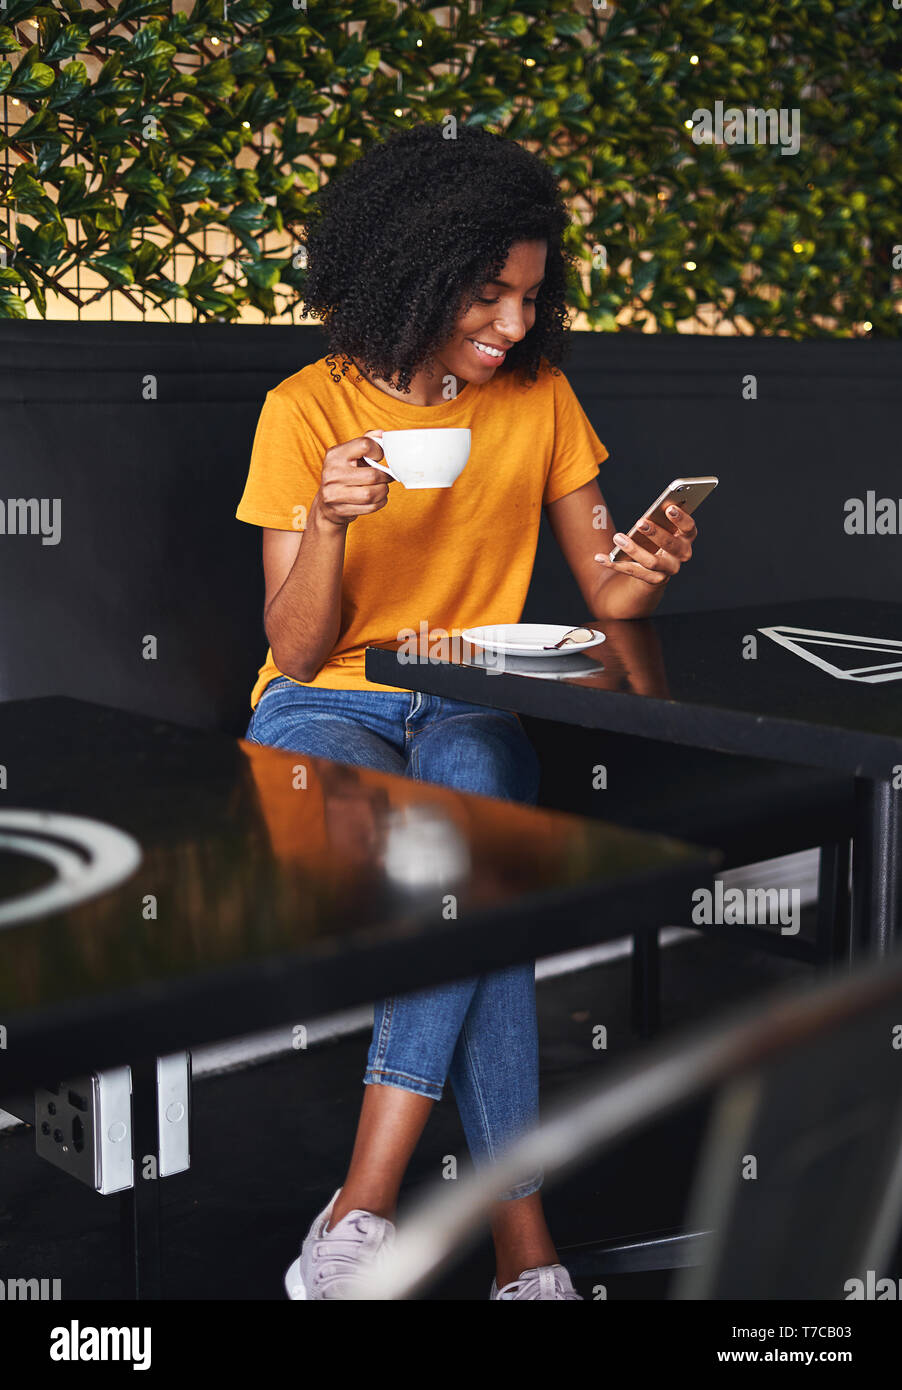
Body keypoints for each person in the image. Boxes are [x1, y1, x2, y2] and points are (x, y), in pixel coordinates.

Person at [236, 122, 699, 1300]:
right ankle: (522, 1252)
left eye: (528, 301)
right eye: (486, 297)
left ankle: (361, 1211)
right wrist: (331, 520)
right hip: (324, 709)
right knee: (480, 856)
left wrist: (646, 557)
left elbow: (605, 591)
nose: (509, 327)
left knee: (471, 810)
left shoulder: (539, 396)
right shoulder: (305, 409)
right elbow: (292, 648)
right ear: (413, 273)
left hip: (470, 700)